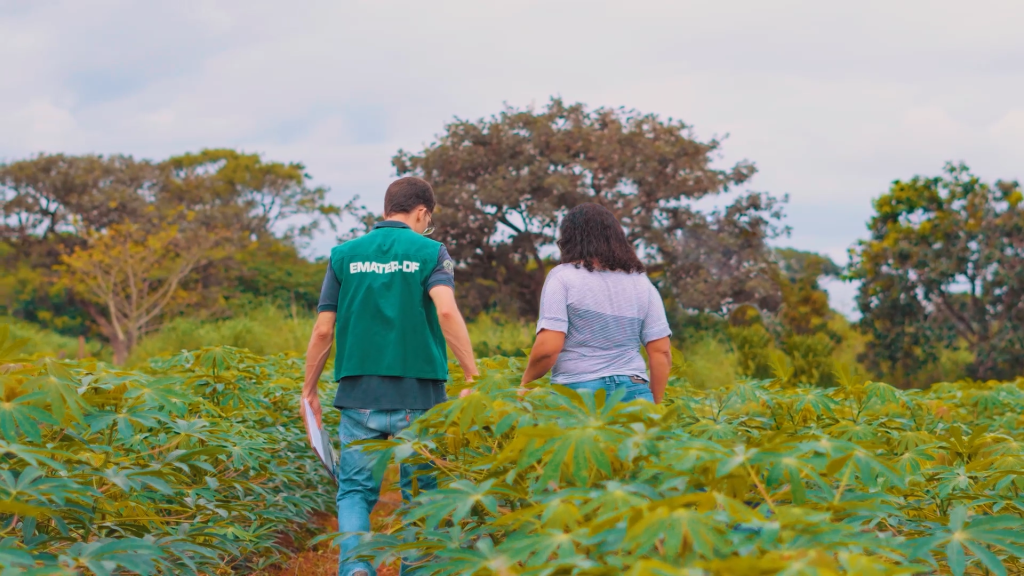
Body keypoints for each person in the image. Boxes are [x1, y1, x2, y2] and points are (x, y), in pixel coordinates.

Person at [300, 176, 478, 576]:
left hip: (359, 394)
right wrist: (472, 374)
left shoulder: (343, 255)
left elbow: (323, 330)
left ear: (386, 209)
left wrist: (309, 390)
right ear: (421, 213)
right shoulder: (431, 251)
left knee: (356, 492)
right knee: (421, 494)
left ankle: (357, 568)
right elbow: (447, 311)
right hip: (421, 398)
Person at [520, 203, 672, 404]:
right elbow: (661, 351)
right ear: (617, 239)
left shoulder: (563, 277)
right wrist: (654, 402)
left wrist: (525, 384)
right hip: (634, 391)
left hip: (579, 390)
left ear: (569, 240)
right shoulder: (642, 283)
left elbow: (548, 347)